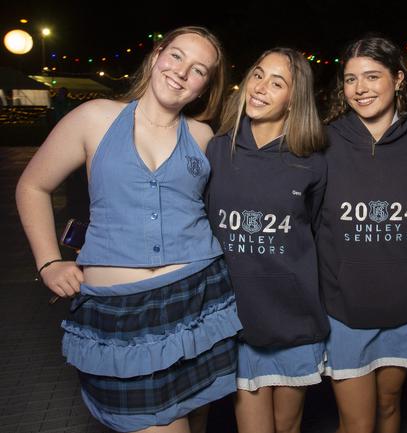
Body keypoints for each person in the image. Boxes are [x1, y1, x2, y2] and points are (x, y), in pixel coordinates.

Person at [15, 26, 242, 433]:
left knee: (196, 419)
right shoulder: (94, 117)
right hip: (120, 315)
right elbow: (33, 185)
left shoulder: (203, 136)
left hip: (198, 303)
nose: (181, 72)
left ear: (205, 86)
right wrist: (48, 261)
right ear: (156, 56)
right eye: (176, 56)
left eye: (198, 70)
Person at [204, 47, 328, 433]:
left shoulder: (312, 161)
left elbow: (318, 233)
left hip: (293, 318)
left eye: (277, 83)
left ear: (294, 99)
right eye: (258, 75)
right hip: (237, 319)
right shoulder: (216, 148)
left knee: (287, 427)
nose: (260, 88)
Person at [317, 36, 407, 433]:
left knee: (389, 406)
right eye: (350, 79)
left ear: (398, 78)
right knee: (358, 423)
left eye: (371, 76)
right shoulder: (323, 141)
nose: (360, 88)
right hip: (344, 310)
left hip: (402, 308)